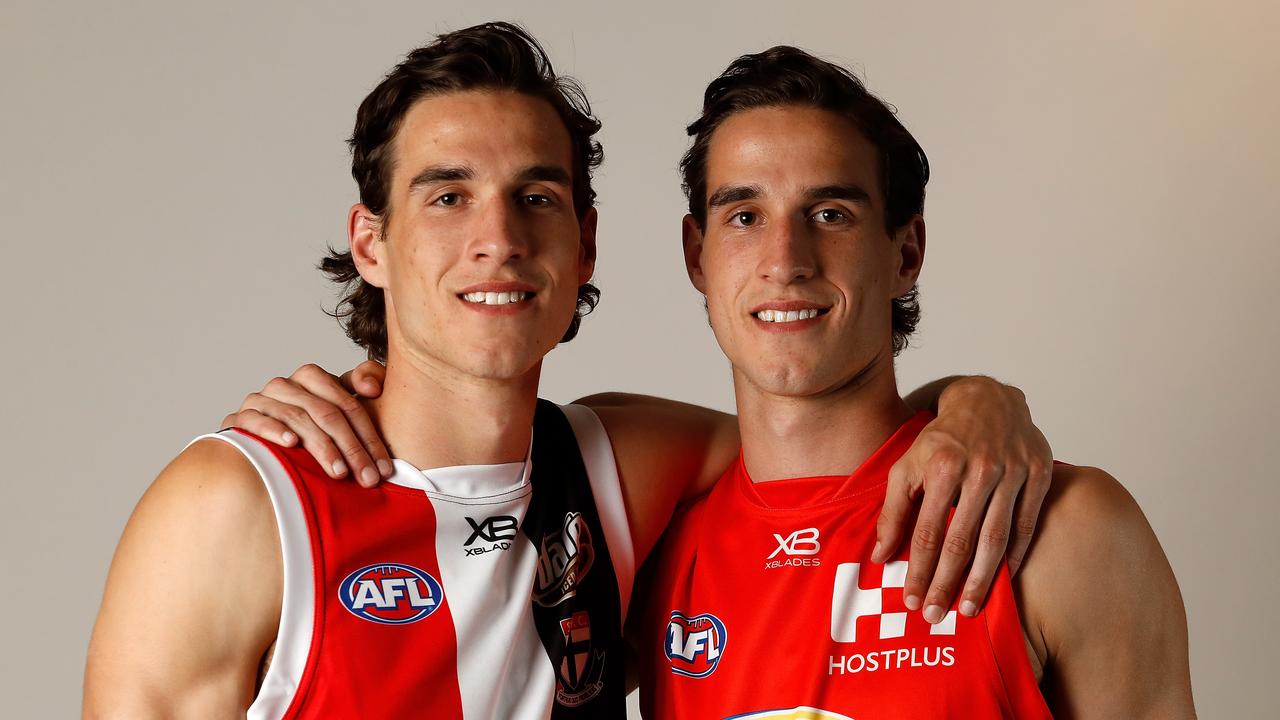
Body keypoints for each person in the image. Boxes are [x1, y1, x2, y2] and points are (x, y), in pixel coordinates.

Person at [85, 23, 1050, 720]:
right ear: (369, 242)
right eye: (448, 196)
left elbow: (818, 419)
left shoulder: (619, 470)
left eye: (534, 196)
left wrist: (980, 407)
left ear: (585, 244)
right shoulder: (236, 511)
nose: (497, 240)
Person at [631, 47, 1196, 718]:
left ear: (906, 254)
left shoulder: (1062, 529)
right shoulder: (649, 550)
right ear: (698, 255)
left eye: (830, 214)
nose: (785, 262)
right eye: (745, 216)